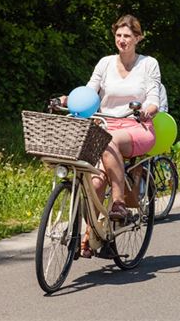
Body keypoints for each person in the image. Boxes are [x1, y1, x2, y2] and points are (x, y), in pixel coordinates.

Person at [61, 14, 161, 256]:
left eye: (127, 36)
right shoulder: (105, 63)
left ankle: (118, 204)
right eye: (118, 35)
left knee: (110, 141)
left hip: (137, 127)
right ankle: (93, 233)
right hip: (105, 126)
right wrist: (69, 99)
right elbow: (89, 90)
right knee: (94, 181)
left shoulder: (148, 64)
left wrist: (148, 110)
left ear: (138, 38)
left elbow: (154, 96)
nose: (122, 40)